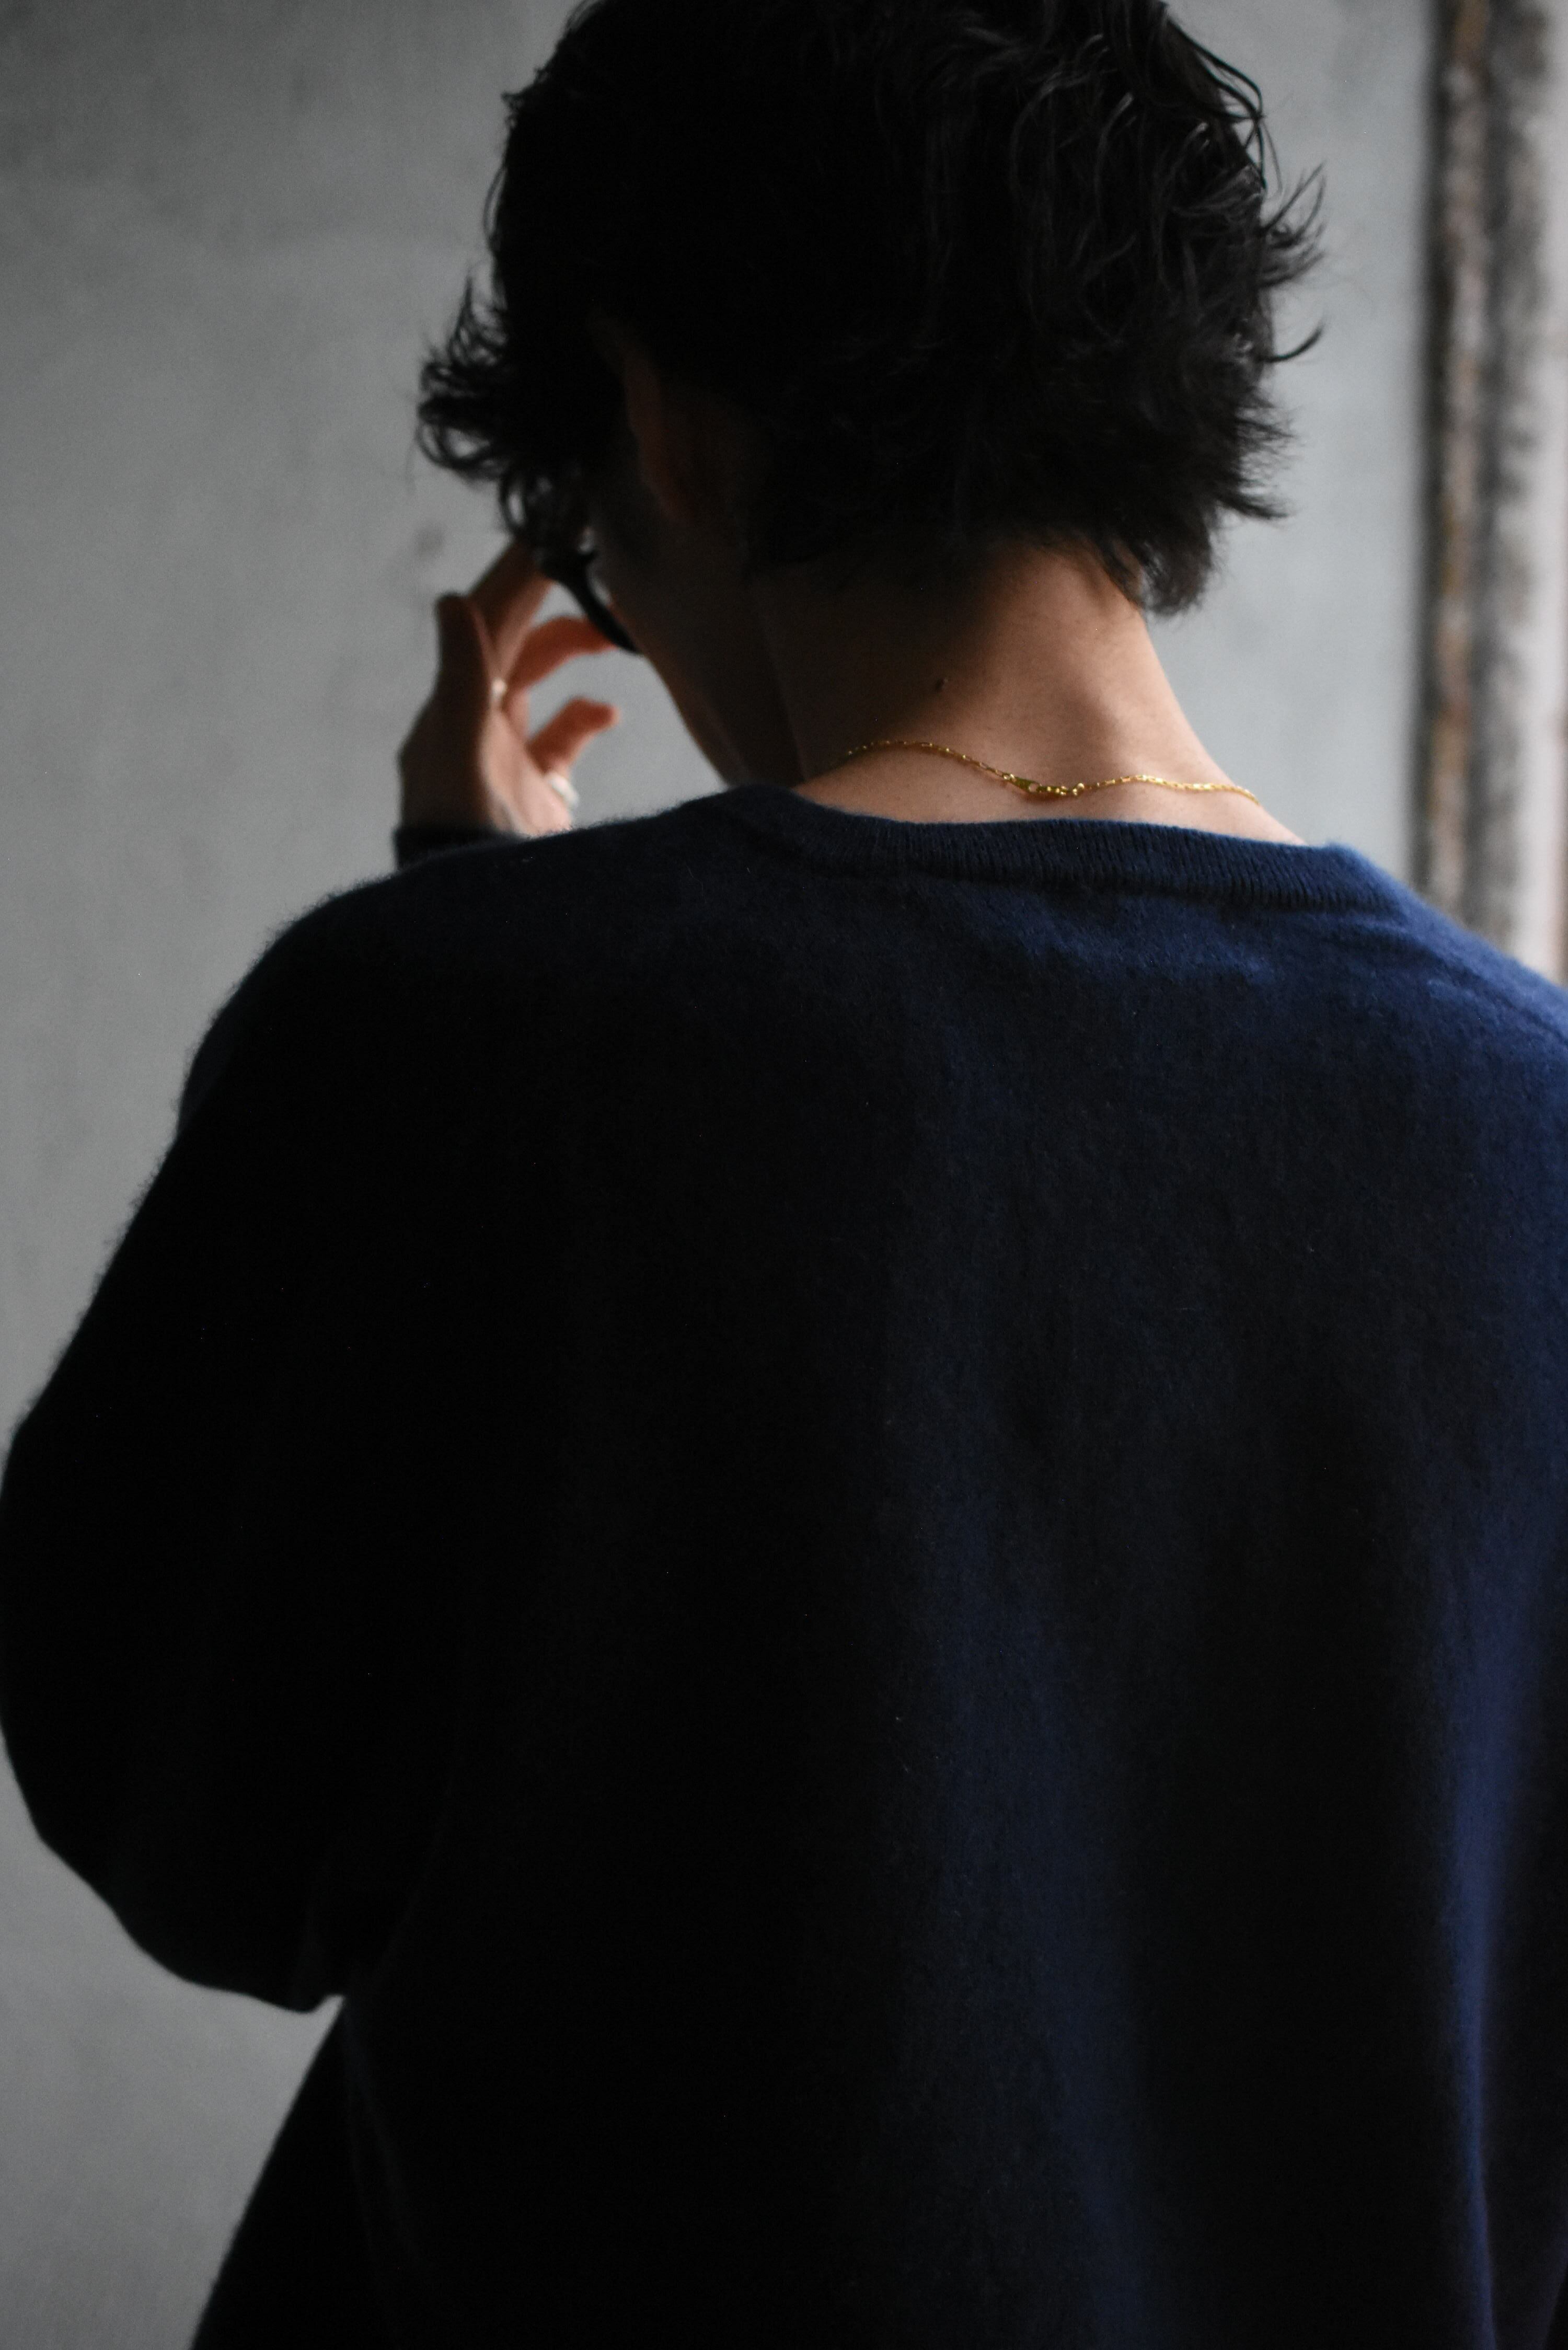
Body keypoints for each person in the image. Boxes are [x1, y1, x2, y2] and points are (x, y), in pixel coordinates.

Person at [4, 0, 1568, 2342]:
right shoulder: (1538, 1118)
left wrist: (478, 932)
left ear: (658, 416)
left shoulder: (462, 1039)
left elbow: (197, 1828)